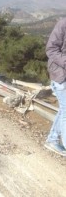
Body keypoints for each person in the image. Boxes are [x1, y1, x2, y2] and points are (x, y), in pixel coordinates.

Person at [44, 18, 66, 156]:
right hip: (60, 74)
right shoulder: (63, 23)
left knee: (64, 109)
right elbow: (51, 49)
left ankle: (52, 139)